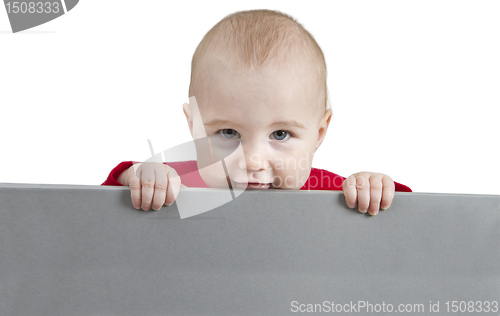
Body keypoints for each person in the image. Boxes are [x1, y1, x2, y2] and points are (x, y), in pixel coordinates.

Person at [102, 9, 411, 215]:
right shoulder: (179, 185)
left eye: (280, 134)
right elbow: (92, 210)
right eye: (228, 132)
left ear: (319, 134)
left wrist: (373, 188)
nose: (252, 160)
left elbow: (411, 215)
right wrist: (139, 177)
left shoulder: (330, 195)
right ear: (194, 125)